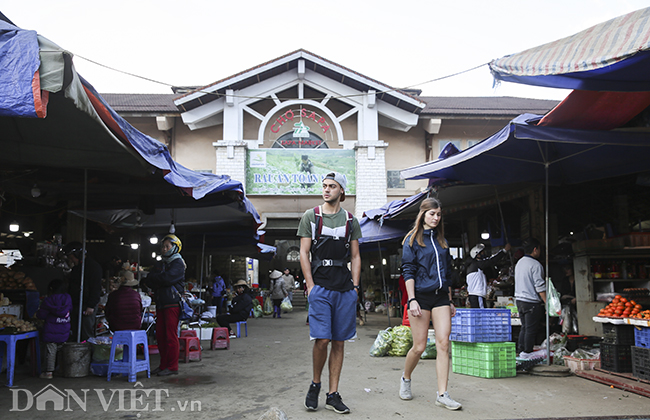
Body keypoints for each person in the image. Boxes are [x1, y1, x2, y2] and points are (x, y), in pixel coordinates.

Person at [298, 171, 362, 414]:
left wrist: (355, 287)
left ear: (341, 191)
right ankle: (315, 384)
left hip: (345, 288)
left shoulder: (350, 221)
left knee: (338, 341)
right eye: (324, 186)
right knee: (322, 339)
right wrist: (311, 285)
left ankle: (332, 394)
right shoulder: (311, 217)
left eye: (332, 186)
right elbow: (304, 253)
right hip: (321, 287)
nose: (326, 190)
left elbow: (355, 256)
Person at [398, 197, 461, 410]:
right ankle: (406, 378)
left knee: (444, 344)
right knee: (419, 346)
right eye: (432, 214)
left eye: (439, 214)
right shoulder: (412, 240)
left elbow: (448, 273)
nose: (436, 218)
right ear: (423, 214)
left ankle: (442, 394)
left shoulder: (442, 241)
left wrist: (451, 300)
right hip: (421, 297)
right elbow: (408, 271)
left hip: (441, 297)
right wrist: (412, 299)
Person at [144, 234, 185, 376]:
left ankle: (172, 366)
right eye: (163, 246)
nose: (164, 249)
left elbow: (166, 279)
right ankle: (163, 365)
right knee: (160, 336)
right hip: (161, 303)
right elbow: (148, 280)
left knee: (170, 336)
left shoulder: (178, 263)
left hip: (172, 303)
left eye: (167, 246)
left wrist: (156, 278)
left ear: (175, 248)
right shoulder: (161, 264)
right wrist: (156, 278)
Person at [64, 241, 103, 342]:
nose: (71, 260)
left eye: (71, 257)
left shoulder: (94, 267)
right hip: (75, 305)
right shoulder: (76, 269)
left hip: (87, 305)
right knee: (75, 330)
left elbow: (95, 288)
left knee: (86, 332)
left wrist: (91, 305)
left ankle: (87, 353)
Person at [514, 238, 547, 359]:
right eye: (539, 249)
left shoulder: (520, 262)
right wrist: (547, 303)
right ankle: (527, 353)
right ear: (535, 249)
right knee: (531, 330)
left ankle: (520, 351)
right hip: (531, 302)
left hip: (520, 300)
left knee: (524, 327)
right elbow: (540, 286)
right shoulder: (535, 265)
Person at [36, 279, 72, 379]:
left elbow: (41, 315)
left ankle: (48, 372)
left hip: (51, 330)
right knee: (61, 351)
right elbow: (70, 309)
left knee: (50, 352)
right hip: (64, 329)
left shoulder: (48, 300)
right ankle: (61, 370)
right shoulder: (67, 298)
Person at [466, 242, 511, 308]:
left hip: (476, 295)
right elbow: (491, 261)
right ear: (477, 255)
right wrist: (504, 251)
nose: (484, 253)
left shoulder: (473, 265)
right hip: (477, 295)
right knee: (481, 314)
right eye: (482, 252)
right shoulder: (478, 264)